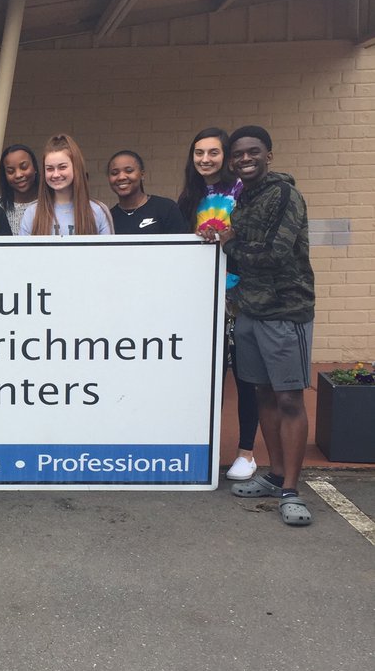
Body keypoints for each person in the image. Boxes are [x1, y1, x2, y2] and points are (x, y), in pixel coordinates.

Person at [199, 125, 315, 526]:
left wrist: (228, 241)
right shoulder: (242, 197)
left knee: (289, 399)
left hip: (285, 310)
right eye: (238, 154)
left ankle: (292, 491)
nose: (245, 159)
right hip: (249, 310)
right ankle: (276, 475)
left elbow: (276, 252)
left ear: (269, 155)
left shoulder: (284, 194)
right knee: (263, 394)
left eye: (253, 152)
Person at [178, 126, 260, 481]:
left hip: (241, 296)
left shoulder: (242, 191)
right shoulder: (189, 197)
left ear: (225, 156)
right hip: (204, 297)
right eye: (199, 153)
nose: (205, 159)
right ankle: (201, 445)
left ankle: (246, 452)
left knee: (244, 376)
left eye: (213, 152)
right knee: (206, 377)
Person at [20, 134, 112, 236]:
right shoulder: (32, 212)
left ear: (76, 168)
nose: (55, 174)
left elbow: (108, 247)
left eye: (62, 167)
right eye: (50, 169)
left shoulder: (98, 210)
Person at [107, 150, 185, 235]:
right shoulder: (108, 219)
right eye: (114, 173)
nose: (121, 177)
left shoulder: (166, 208)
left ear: (142, 174)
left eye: (129, 171)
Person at [0, 143, 39, 234]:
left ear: (35, 168)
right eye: (10, 171)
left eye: (24, 167)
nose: (18, 175)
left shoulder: (51, 204)